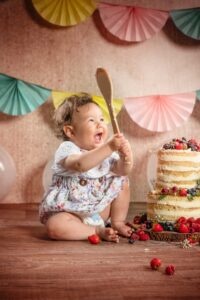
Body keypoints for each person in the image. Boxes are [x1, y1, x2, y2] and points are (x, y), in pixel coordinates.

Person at [39, 93, 133, 243]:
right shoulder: (67, 149)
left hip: (100, 210)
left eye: (102, 119)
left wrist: (126, 157)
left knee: (122, 180)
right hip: (70, 212)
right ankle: (95, 230)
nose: (100, 124)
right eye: (92, 120)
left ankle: (117, 222)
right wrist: (109, 147)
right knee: (54, 227)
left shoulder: (105, 151)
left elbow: (123, 170)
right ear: (70, 131)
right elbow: (80, 165)